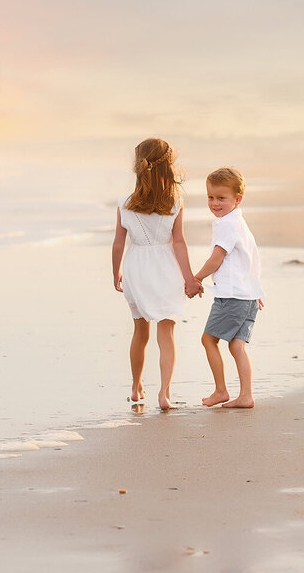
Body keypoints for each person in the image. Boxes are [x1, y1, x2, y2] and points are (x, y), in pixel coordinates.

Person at [112, 138, 202, 410]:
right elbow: (179, 242)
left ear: (138, 166)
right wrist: (189, 278)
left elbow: (119, 243)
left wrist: (115, 273)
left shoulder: (125, 203)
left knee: (140, 330)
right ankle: (164, 393)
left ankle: (136, 387)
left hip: (136, 267)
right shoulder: (175, 202)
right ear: (169, 167)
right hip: (166, 268)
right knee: (167, 332)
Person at [192, 166, 264, 408]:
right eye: (210, 197)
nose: (214, 203)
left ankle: (221, 390)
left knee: (208, 340)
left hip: (232, 297)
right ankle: (246, 396)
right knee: (236, 345)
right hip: (247, 296)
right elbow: (250, 260)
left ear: (237, 199)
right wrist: (256, 291)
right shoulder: (239, 223)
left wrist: (197, 278)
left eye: (221, 198)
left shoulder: (226, 225)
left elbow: (216, 258)